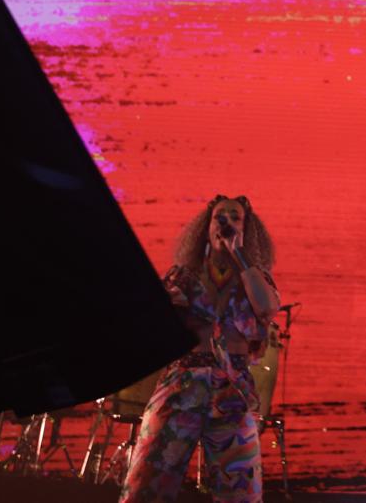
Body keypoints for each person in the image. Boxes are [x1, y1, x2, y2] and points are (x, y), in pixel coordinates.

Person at [121, 195, 280, 503]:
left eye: (235, 218)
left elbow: (266, 309)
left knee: (241, 493)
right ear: (206, 229)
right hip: (182, 384)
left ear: (246, 231)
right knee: (147, 484)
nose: (227, 223)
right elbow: (152, 323)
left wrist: (240, 256)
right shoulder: (184, 276)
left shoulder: (254, 279)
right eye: (220, 217)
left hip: (231, 391)